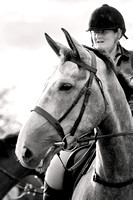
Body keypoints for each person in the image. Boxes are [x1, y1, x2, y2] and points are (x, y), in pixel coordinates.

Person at [43, 4, 133, 199]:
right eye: (94, 32)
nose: (97, 36)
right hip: (89, 138)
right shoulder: (83, 65)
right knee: (55, 171)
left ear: (118, 33)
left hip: (128, 138)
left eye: (103, 31)